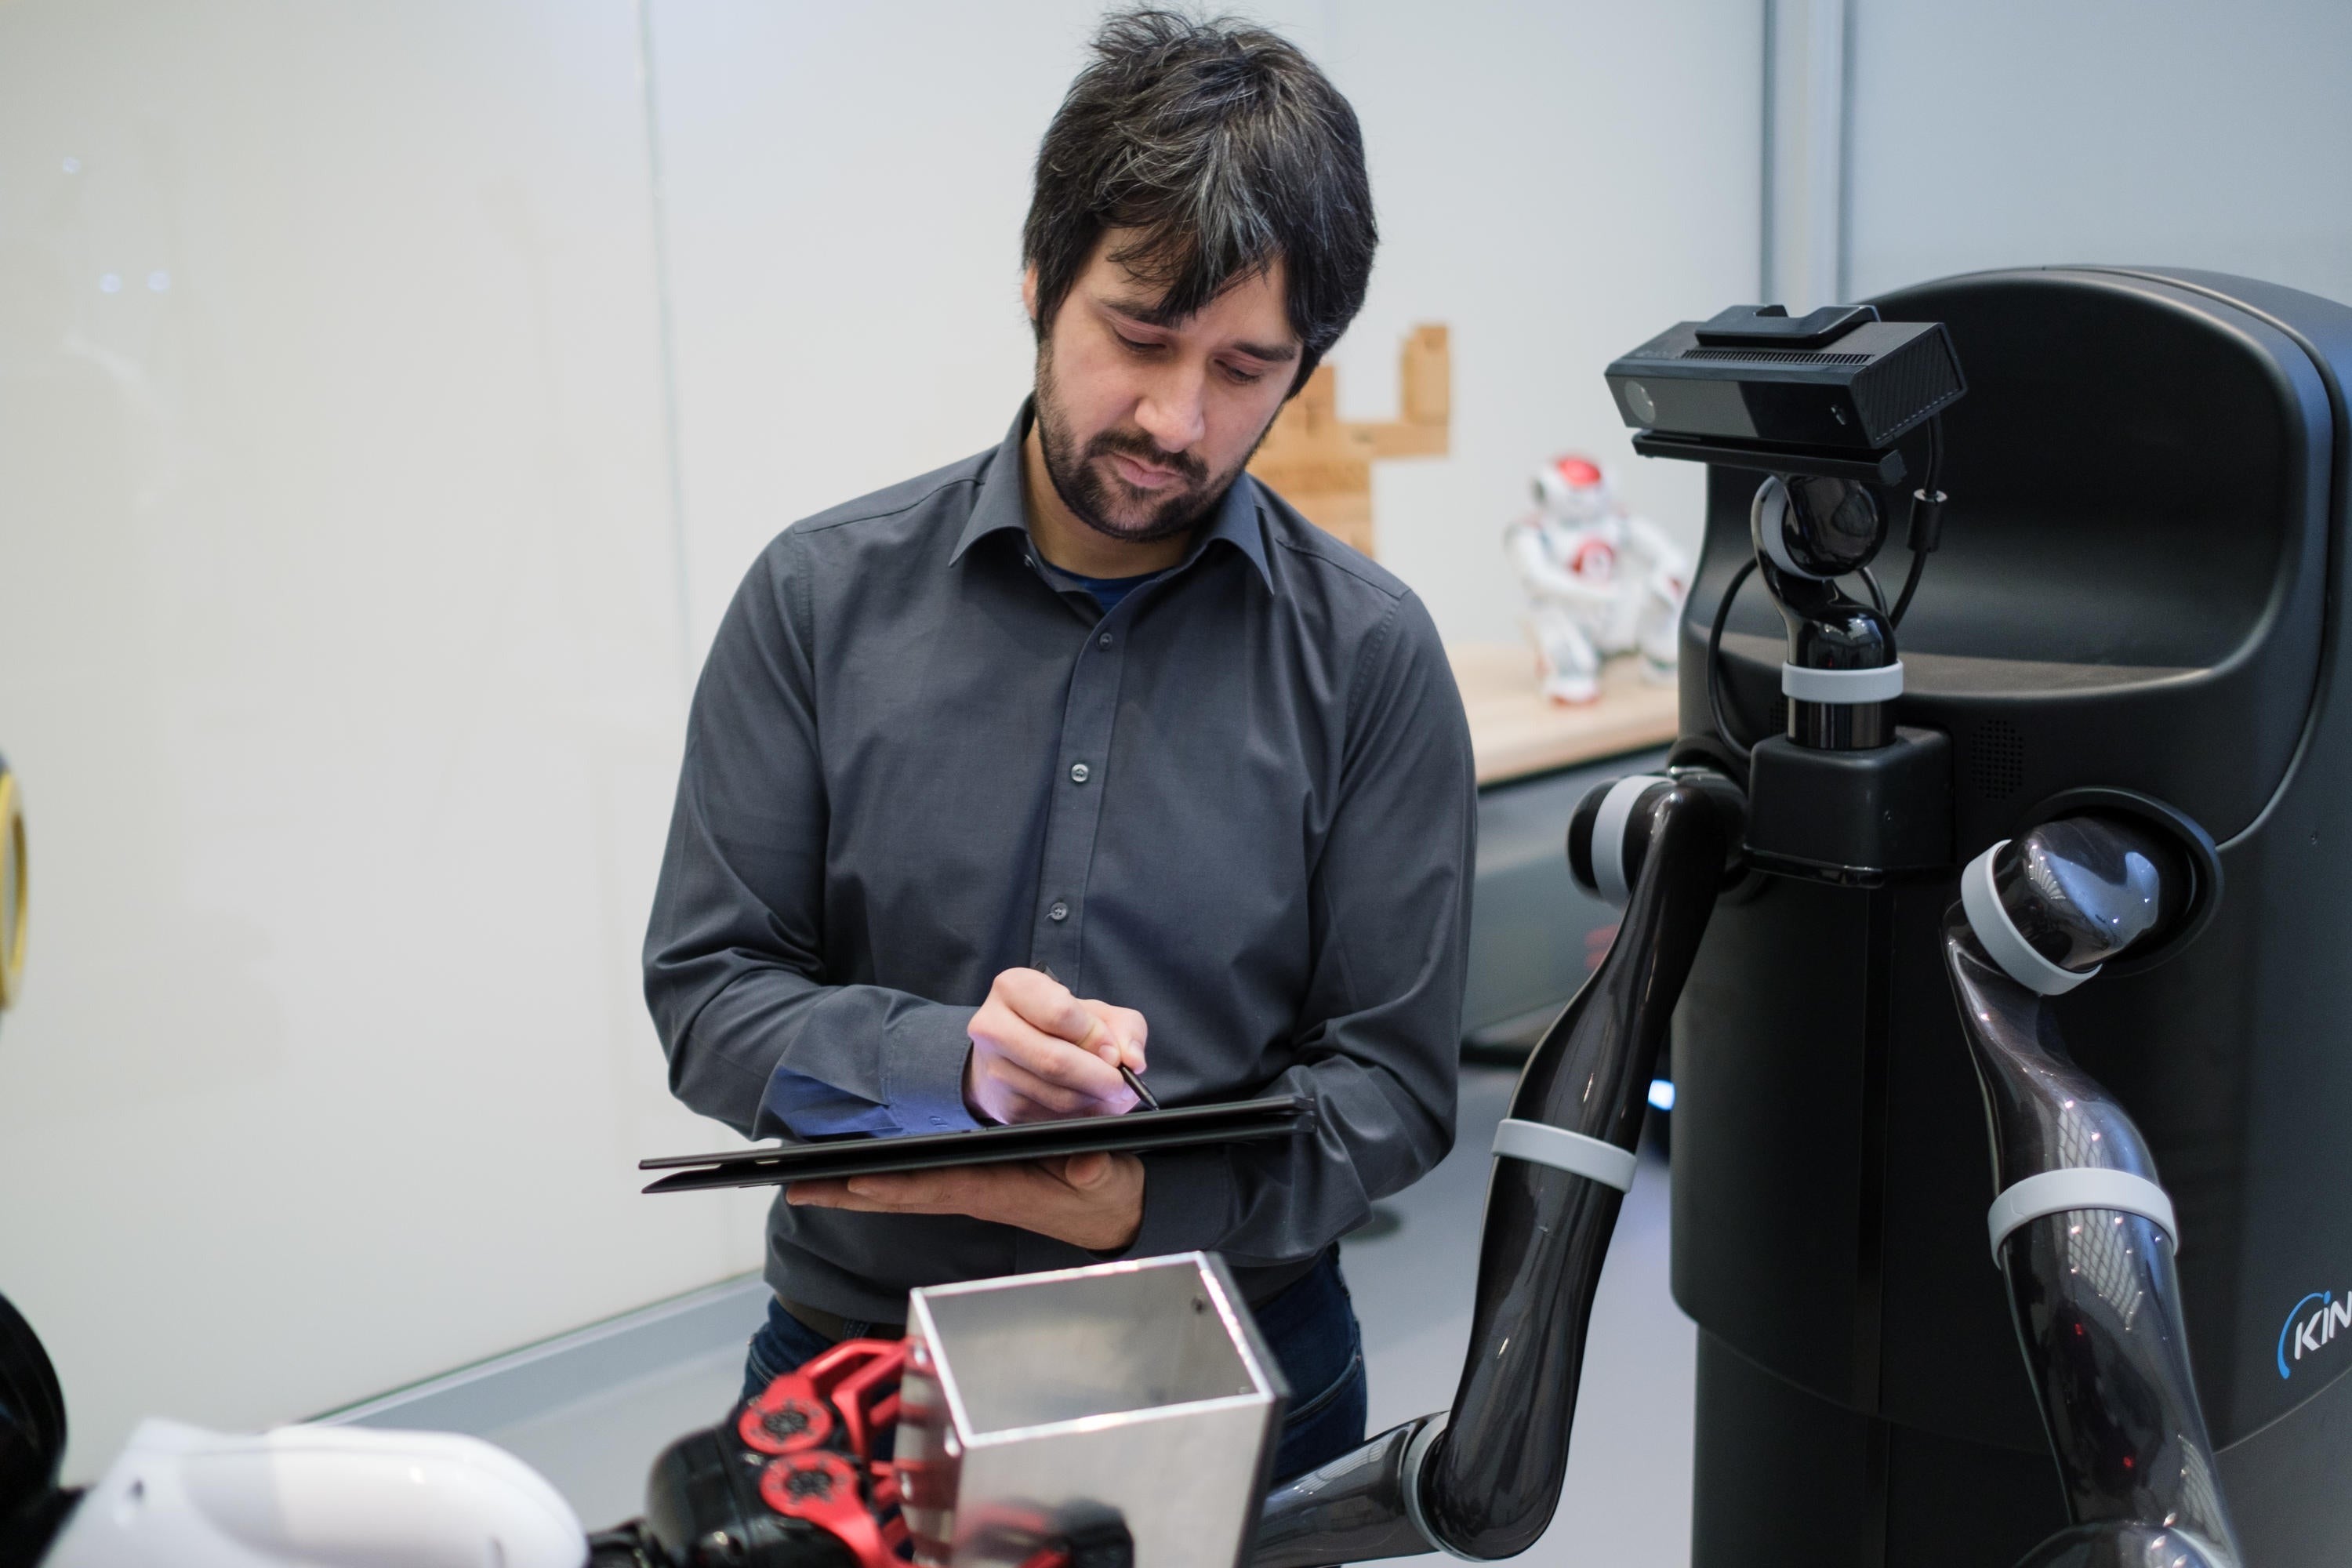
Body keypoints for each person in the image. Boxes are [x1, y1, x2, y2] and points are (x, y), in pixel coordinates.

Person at [641, 9, 1474, 1484]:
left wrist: (1136, 1205)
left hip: (1241, 1351)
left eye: (1244, 367)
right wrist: (945, 1066)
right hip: (862, 1356)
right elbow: (712, 997)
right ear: (1039, 279)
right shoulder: (817, 600)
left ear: (1304, 365)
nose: (1176, 416)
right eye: (1139, 335)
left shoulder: (1370, 656)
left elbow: (1395, 1090)